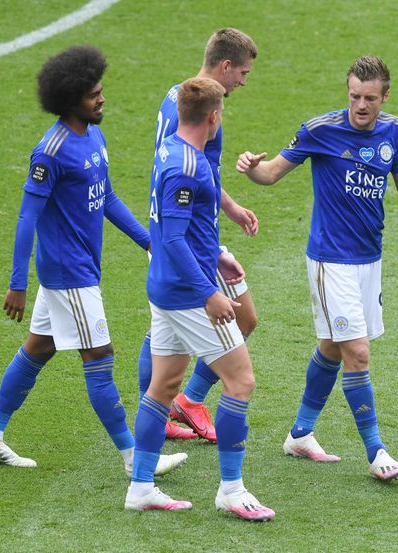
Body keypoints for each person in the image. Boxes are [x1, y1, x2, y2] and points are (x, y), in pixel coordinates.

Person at [0, 45, 186, 478]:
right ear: (71, 99)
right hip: (69, 273)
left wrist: (148, 241)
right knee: (100, 358)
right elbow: (27, 216)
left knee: (39, 348)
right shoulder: (49, 151)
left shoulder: (94, 135)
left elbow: (105, 196)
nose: (102, 100)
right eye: (94, 95)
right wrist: (18, 283)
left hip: (78, 269)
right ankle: (135, 459)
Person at [236, 55, 398, 481]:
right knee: (357, 352)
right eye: (354, 96)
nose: (360, 106)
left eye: (369, 98)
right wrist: (253, 169)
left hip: (369, 259)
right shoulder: (321, 130)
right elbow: (271, 174)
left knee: (331, 345)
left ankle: (300, 434)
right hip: (330, 260)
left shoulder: (394, 132)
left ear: (385, 96)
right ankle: (376, 451)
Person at [125, 77, 274, 521]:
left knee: (163, 386)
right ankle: (231, 489)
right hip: (187, 294)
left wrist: (220, 258)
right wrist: (209, 292)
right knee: (240, 381)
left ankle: (141, 486)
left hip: (168, 287)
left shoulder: (171, 150)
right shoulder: (186, 167)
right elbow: (169, 239)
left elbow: (190, 229)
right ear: (213, 116)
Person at [138, 28, 260, 442]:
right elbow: (185, 183)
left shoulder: (179, 96)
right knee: (173, 337)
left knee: (236, 320)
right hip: (185, 238)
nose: (243, 81)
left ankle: (175, 406)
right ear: (225, 65)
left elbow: (198, 180)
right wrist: (215, 243)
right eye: (242, 72)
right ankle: (164, 415)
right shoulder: (201, 115)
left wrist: (231, 208)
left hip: (191, 232)